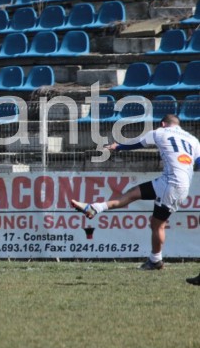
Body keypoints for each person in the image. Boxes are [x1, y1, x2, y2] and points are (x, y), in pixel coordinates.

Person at [71, 114, 200, 271]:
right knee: (132, 194)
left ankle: (155, 261)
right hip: (173, 182)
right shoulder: (193, 140)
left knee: (157, 224)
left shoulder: (160, 132)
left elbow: (139, 143)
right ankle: (95, 208)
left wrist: (118, 146)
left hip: (171, 184)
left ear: (163, 123)